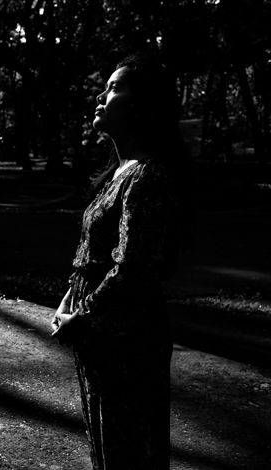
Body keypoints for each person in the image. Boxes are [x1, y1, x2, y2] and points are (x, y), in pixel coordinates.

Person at [51, 54, 191, 470]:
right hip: (101, 336)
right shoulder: (122, 172)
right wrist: (66, 302)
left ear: (144, 106)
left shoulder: (147, 177)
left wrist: (84, 316)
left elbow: (132, 268)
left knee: (128, 453)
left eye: (114, 87)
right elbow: (93, 258)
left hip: (125, 338)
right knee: (108, 447)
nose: (101, 94)